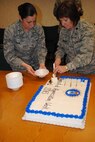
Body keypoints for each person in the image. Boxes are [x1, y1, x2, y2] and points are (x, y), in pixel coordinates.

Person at [4, 2, 47, 76]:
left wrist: (42, 63)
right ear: (20, 18)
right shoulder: (11, 30)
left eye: (34, 21)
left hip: (37, 68)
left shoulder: (38, 28)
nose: (32, 25)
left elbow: (41, 48)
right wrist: (25, 65)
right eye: (29, 22)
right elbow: (9, 55)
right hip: (20, 70)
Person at [54, 0, 95, 74]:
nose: (63, 23)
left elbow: (86, 56)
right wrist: (58, 57)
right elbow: (61, 47)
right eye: (61, 20)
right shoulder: (63, 30)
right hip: (72, 72)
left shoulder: (87, 28)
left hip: (89, 72)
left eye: (65, 20)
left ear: (73, 17)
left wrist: (66, 67)